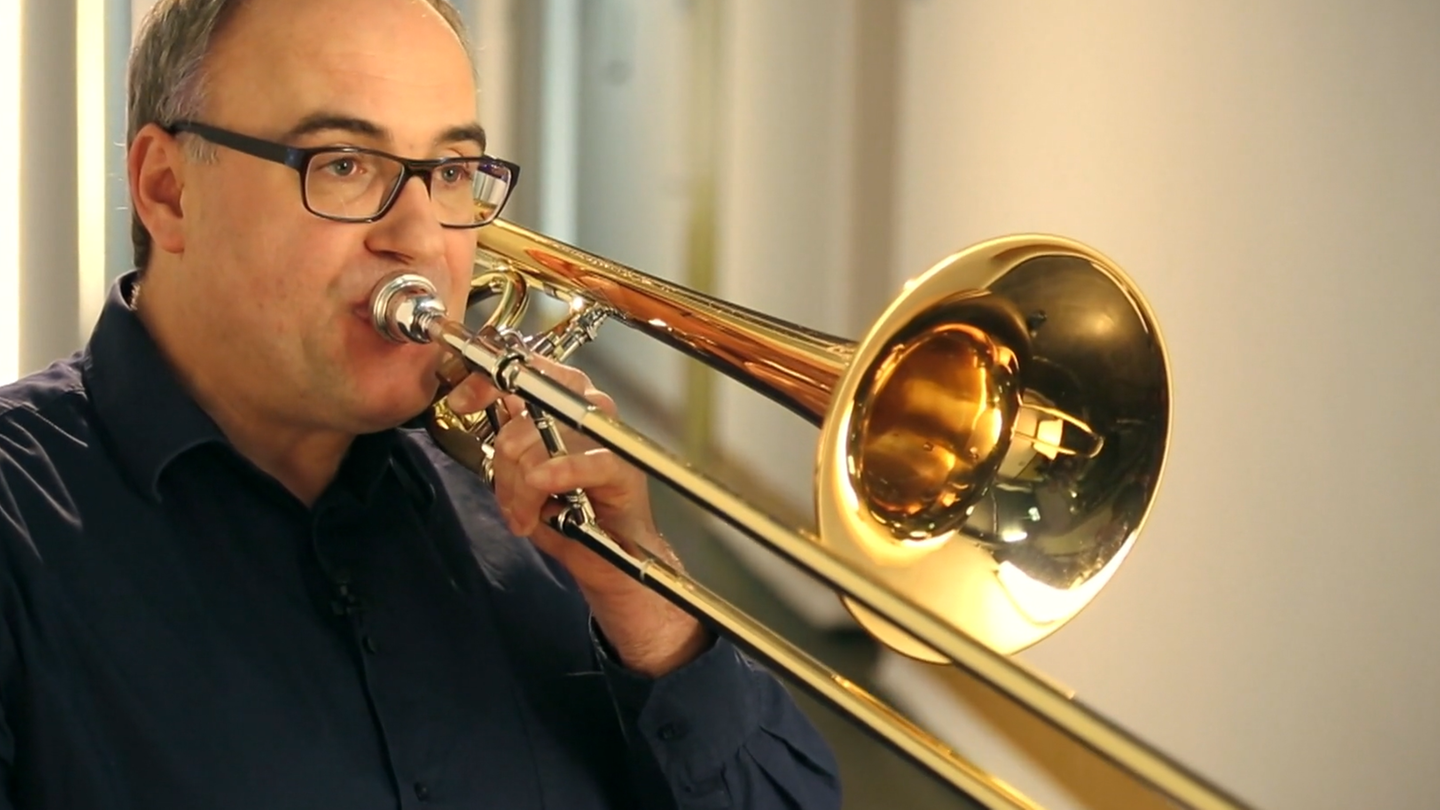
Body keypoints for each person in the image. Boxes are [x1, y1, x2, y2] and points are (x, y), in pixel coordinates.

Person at [0, 0, 843, 807]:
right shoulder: (23, 527)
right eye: (342, 164)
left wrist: (650, 610)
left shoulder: (527, 507)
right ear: (167, 189)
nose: (420, 239)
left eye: (451, 173)